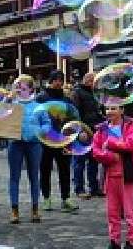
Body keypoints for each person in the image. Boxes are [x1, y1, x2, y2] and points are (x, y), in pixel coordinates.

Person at [92, 104, 133, 249]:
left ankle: (131, 242)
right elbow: (96, 151)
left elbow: (132, 145)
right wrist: (110, 156)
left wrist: (110, 143)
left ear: (122, 110)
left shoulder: (130, 125)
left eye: (114, 108)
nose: (110, 112)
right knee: (112, 211)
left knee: (130, 211)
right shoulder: (101, 128)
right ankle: (114, 241)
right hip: (110, 174)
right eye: (108, 109)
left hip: (126, 174)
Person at [8, 74, 51, 224]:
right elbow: (0, 120)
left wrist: (41, 130)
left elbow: (47, 123)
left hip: (34, 144)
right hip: (15, 143)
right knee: (14, 177)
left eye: (23, 88)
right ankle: (14, 210)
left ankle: (35, 209)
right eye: (17, 88)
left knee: (34, 176)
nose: (19, 90)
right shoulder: (11, 105)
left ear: (31, 89)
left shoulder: (38, 107)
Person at [38, 70, 80, 212]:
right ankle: (46, 198)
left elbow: (72, 116)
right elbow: (35, 116)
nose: (59, 82)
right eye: (56, 79)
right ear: (50, 81)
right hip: (46, 139)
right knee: (45, 169)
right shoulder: (42, 98)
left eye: (61, 80)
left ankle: (66, 198)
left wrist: (72, 130)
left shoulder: (66, 99)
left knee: (65, 169)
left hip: (63, 138)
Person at [71, 72, 104, 198]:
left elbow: (98, 111)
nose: (94, 83)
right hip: (83, 131)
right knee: (79, 161)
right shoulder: (77, 93)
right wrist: (80, 131)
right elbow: (75, 114)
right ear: (87, 80)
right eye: (92, 80)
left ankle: (94, 187)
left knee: (94, 160)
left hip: (95, 130)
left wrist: (102, 121)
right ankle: (79, 188)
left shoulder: (95, 93)